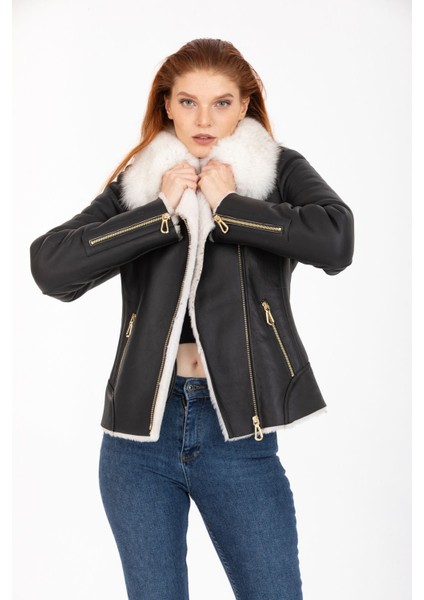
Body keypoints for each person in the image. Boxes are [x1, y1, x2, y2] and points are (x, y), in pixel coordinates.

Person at [30, 38, 354, 600]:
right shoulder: (142, 180)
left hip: (238, 435)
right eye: (188, 102)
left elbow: (337, 240)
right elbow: (51, 267)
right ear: (167, 104)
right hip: (138, 442)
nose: (204, 120)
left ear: (245, 104)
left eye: (221, 103)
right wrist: (158, 213)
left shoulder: (275, 170)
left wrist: (233, 208)